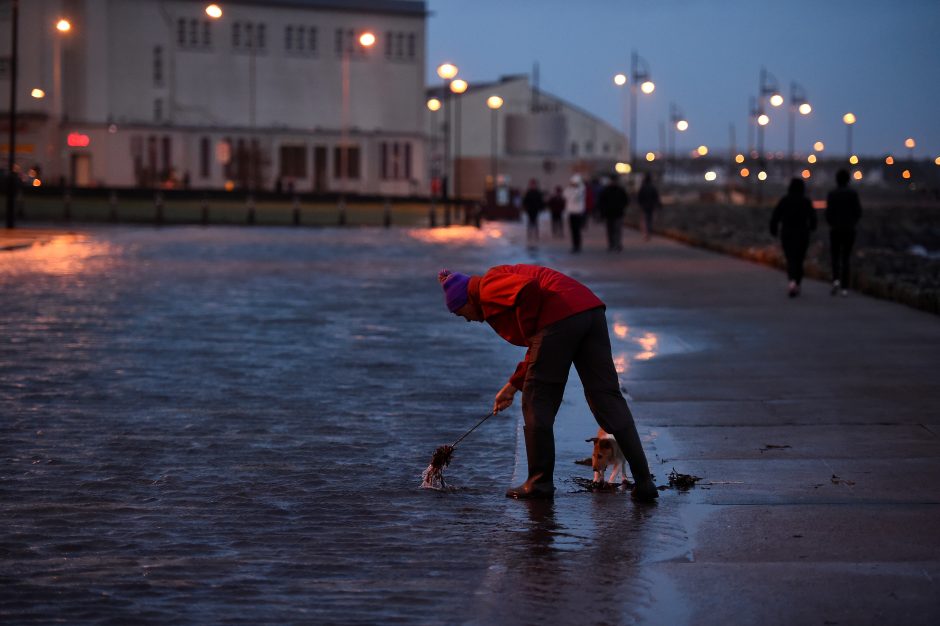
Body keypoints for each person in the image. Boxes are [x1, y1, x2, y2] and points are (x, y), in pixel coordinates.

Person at [438, 265, 659, 502]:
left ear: (466, 300)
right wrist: (512, 386)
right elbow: (537, 346)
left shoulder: (486, 286)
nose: (468, 320)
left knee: (536, 401)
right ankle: (645, 483)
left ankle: (539, 483)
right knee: (607, 397)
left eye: (461, 314)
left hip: (562, 317)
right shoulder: (496, 283)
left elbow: (528, 292)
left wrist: (531, 331)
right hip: (590, 311)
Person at [770, 178, 817, 297]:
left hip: (787, 233)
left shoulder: (784, 200)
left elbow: (775, 217)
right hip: (802, 234)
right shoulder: (806, 201)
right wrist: (812, 228)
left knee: (790, 259)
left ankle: (792, 282)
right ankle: (797, 283)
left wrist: (774, 230)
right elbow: (813, 218)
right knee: (799, 259)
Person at [825, 169, 862, 297]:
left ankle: (835, 281)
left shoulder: (832, 194)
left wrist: (832, 223)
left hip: (835, 229)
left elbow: (828, 213)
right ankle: (845, 287)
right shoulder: (853, 194)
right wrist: (852, 222)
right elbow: (858, 212)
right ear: (848, 179)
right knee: (846, 257)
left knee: (835, 257)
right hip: (849, 230)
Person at [597, 175, 629, 251]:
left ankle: (616, 244)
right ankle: (613, 244)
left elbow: (625, 200)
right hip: (612, 213)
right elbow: (601, 202)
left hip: (615, 213)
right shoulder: (618, 190)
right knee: (612, 230)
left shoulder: (612, 190)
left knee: (615, 230)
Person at [562, 174, 586, 253]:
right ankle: (574, 245)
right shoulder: (570, 189)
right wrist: (570, 188)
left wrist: (572, 190)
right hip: (571, 212)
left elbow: (573, 197)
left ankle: (578, 246)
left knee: (577, 230)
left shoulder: (581, 189)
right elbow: (565, 195)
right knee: (573, 230)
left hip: (578, 213)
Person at [637, 173, 661, 242]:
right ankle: (649, 232)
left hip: (644, 206)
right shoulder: (653, 188)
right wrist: (658, 205)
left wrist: (640, 204)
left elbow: (639, 197)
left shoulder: (643, 188)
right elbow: (656, 197)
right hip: (651, 206)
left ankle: (646, 233)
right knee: (650, 220)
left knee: (645, 219)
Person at [522, 179, 545, 245]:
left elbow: (541, 201)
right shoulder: (528, 192)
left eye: (533, 184)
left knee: (535, 222)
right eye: (532, 184)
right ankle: (529, 234)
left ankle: (536, 234)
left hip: (535, 209)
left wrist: (541, 208)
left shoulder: (538, 192)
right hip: (529, 209)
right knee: (530, 222)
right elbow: (525, 201)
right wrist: (525, 207)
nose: (533, 186)